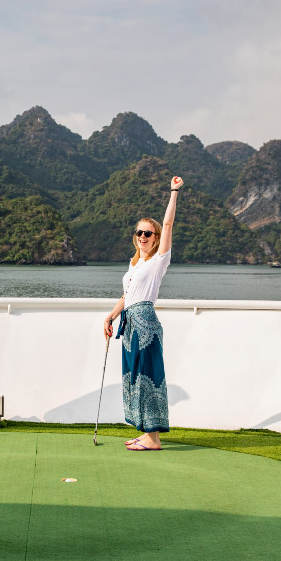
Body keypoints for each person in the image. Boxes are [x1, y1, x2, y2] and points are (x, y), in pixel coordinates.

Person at [103, 176, 182, 450]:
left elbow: (169, 222)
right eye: (139, 233)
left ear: (157, 238)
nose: (143, 237)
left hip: (146, 324)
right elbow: (127, 296)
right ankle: (145, 431)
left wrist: (173, 192)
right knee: (134, 377)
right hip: (129, 325)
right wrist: (111, 316)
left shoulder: (159, 260)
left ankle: (154, 438)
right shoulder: (134, 265)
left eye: (148, 233)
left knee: (149, 375)